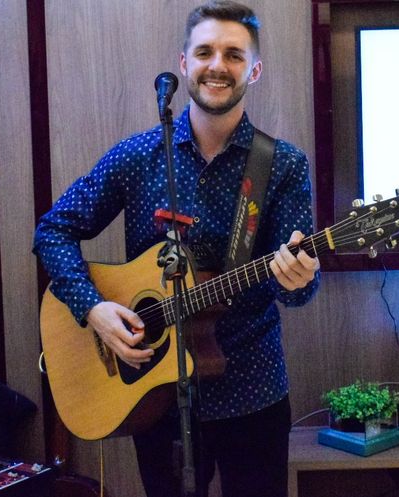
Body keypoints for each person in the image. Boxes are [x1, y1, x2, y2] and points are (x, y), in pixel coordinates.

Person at [32, 2, 320, 496]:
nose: (217, 65)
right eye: (204, 52)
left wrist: (299, 278)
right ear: (184, 64)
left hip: (253, 390)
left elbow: (296, 292)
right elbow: (53, 230)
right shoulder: (138, 156)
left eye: (234, 55)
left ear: (254, 70)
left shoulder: (283, 165)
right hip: (156, 393)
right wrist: (93, 308)